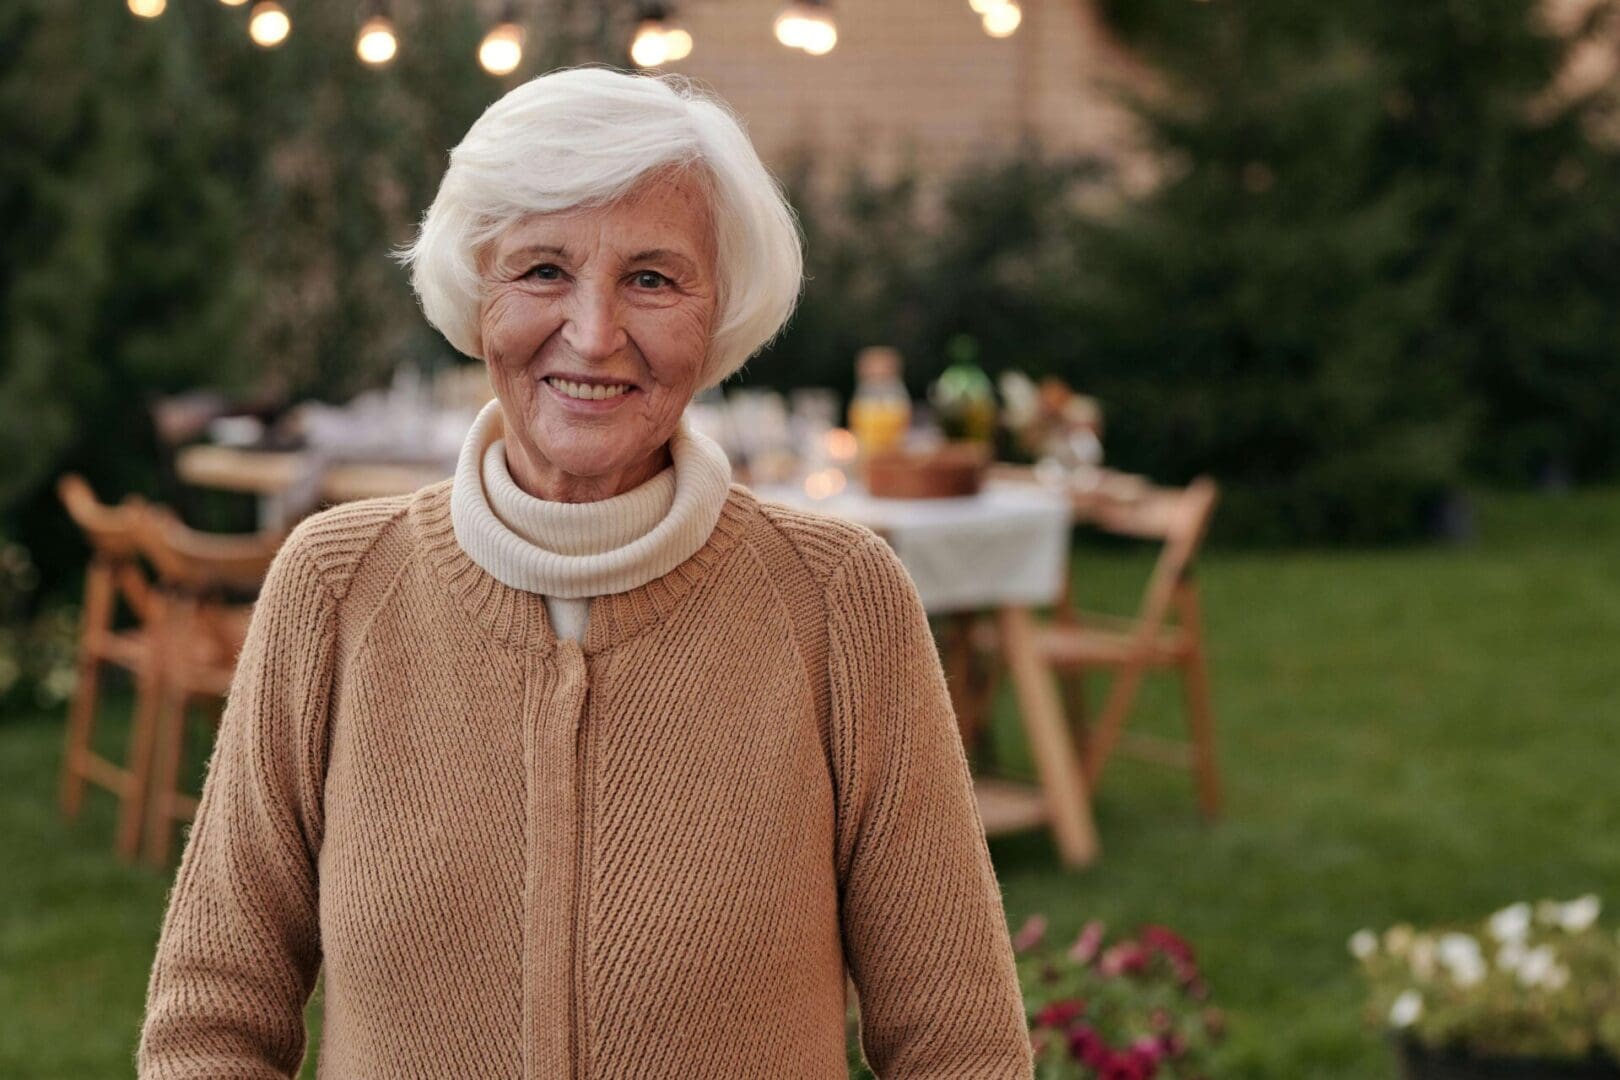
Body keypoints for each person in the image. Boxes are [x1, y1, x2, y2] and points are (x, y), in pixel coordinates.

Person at [137, 64, 1032, 1079]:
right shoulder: (335, 588)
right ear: (477, 294)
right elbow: (212, 1017)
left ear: (720, 310)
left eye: (653, 278)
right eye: (542, 272)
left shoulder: (838, 601)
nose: (595, 335)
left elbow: (961, 1047)